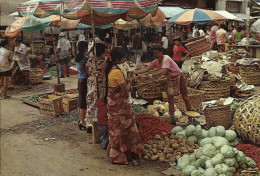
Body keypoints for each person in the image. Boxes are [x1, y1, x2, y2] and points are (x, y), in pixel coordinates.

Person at [104, 47, 142, 165]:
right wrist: (130, 84)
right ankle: (120, 156)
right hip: (120, 108)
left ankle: (121, 154)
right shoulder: (117, 72)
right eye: (124, 57)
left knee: (116, 131)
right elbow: (125, 91)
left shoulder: (111, 70)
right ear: (118, 59)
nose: (125, 59)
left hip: (113, 107)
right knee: (124, 131)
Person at [134, 46, 192, 124]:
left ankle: (191, 118)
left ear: (161, 52)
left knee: (185, 97)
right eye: (154, 53)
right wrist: (134, 72)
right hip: (170, 79)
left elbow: (164, 71)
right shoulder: (156, 61)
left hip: (178, 76)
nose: (155, 54)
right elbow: (146, 69)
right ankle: (172, 119)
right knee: (170, 98)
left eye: (156, 53)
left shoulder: (166, 58)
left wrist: (152, 75)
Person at [75, 41, 89, 130]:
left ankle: (80, 119)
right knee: (83, 101)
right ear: (85, 49)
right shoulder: (84, 59)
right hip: (84, 79)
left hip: (80, 79)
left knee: (80, 99)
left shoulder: (77, 57)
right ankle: (82, 121)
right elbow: (87, 71)